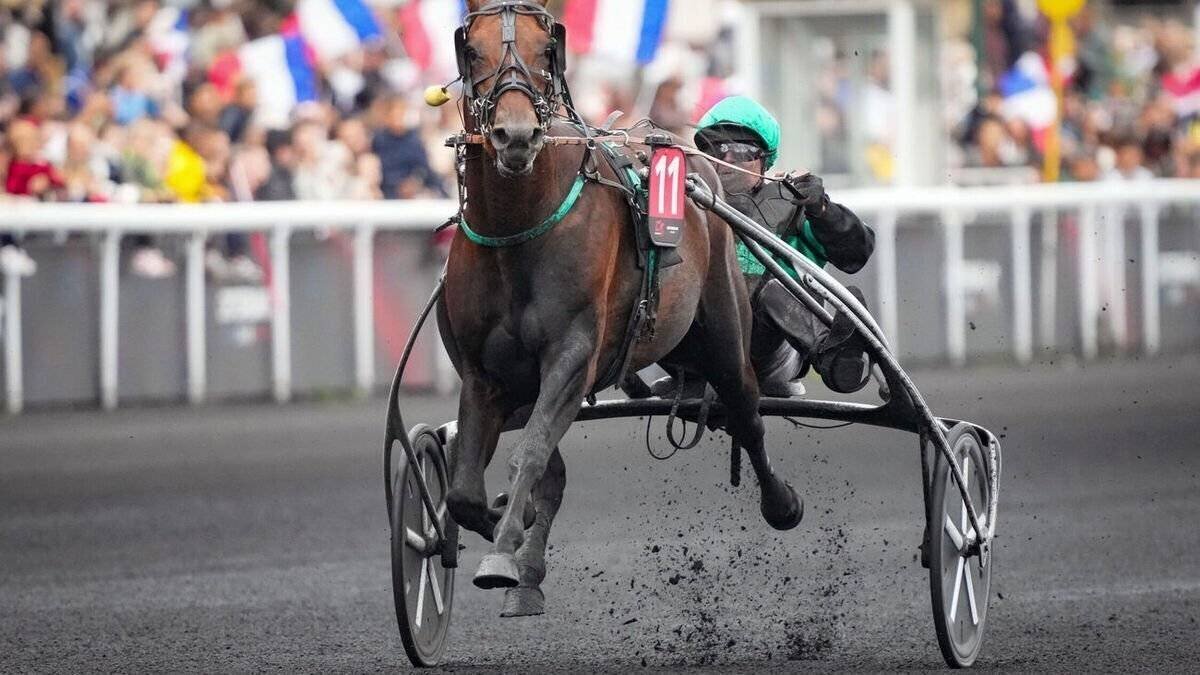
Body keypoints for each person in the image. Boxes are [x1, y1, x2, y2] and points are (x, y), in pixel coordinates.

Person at [690, 96, 876, 397]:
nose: (726, 161)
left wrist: (823, 211)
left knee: (772, 289)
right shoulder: (686, 205)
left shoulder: (793, 201)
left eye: (739, 150)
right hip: (701, 348)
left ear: (764, 158)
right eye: (715, 149)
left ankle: (834, 359)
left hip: (770, 351)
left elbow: (856, 255)